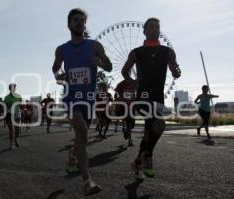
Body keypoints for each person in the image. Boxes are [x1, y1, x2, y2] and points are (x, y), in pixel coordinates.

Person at [52, 8, 112, 195]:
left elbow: (109, 66)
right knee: (83, 134)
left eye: (81, 20)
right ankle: (87, 181)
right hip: (71, 98)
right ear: (69, 25)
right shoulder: (62, 49)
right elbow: (55, 69)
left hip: (89, 100)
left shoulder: (95, 45)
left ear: (84, 25)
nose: (79, 23)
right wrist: (59, 75)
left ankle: (72, 155)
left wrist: (100, 63)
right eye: (75, 20)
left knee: (81, 138)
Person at [122, 18, 181, 178]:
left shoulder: (167, 51)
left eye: (157, 27)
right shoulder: (136, 52)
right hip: (142, 96)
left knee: (150, 131)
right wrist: (131, 81)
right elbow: (124, 71)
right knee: (159, 124)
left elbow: (174, 69)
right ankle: (148, 158)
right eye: (152, 27)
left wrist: (176, 72)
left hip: (158, 97)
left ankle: (138, 162)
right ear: (145, 31)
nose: (155, 29)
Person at [114, 79, 137, 147]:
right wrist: (120, 99)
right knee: (129, 124)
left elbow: (136, 94)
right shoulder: (121, 84)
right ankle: (130, 140)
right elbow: (116, 94)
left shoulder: (133, 83)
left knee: (132, 125)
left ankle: (126, 132)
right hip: (124, 107)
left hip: (132, 107)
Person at [4, 83, 22, 150]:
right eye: (11, 88)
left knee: (17, 130)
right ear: (9, 89)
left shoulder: (19, 96)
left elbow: (21, 105)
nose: (13, 89)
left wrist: (22, 106)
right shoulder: (6, 97)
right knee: (11, 131)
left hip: (17, 114)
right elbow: (5, 106)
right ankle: (11, 144)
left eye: (14, 88)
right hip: (9, 114)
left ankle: (16, 138)